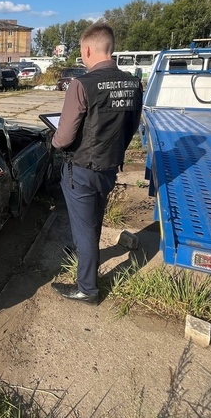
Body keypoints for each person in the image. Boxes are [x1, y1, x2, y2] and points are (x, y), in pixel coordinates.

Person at [51, 23, 143, 305]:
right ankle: (85, 257)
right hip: (109, 166)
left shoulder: (82, 85)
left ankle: (87, 289)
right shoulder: (132, 83)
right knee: (93, 219)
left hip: (81, 169)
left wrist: (54, 141)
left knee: (84, 228)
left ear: (88, 49)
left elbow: (64, 138)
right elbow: (131, 127)